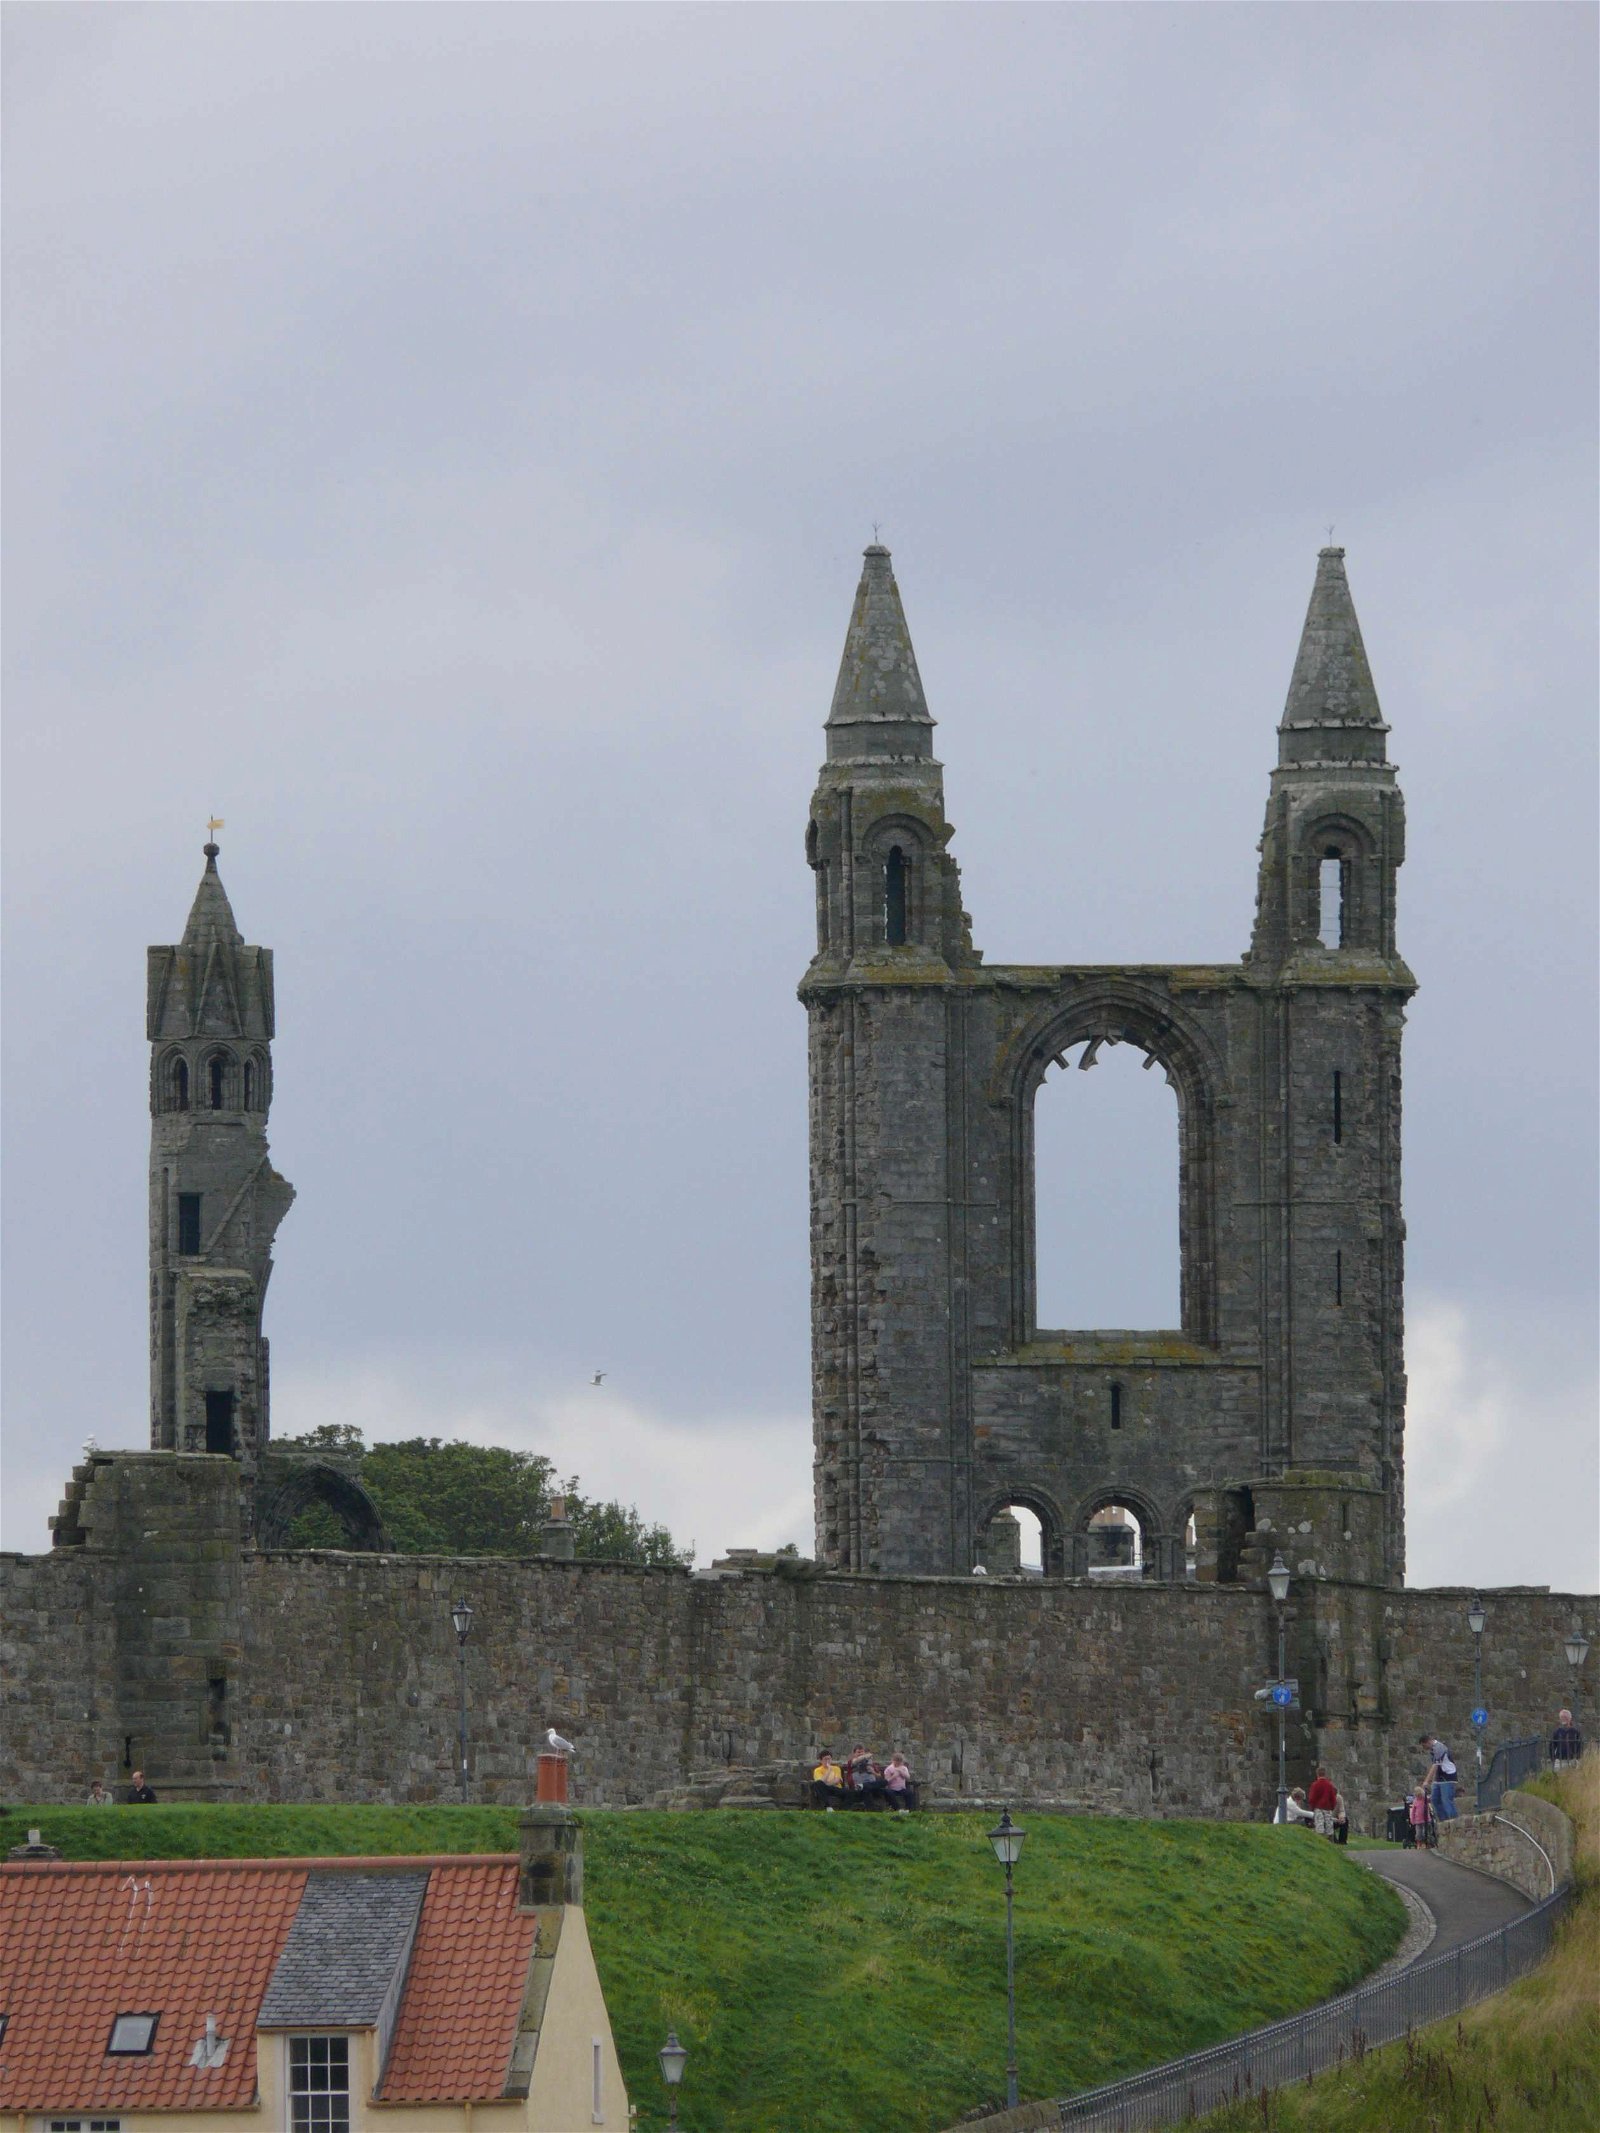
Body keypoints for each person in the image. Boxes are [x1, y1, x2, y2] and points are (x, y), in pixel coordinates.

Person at [1418, 1733, 1458, 1820]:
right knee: (1435, 1800)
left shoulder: (1439, 1748)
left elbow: (1435, 1765)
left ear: (1428, 1742)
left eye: (1424, 1746)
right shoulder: (1432, 1750)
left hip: (1448, 1777)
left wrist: (1426, 1781)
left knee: (1446, 1800)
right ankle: (1443, 1821)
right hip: (1438, 1778)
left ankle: (1453, 1821)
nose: (1424, 1748)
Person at [1307, 1766, 1338, 1837]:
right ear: (1325, 1774)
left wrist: (1312, 1807)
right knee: (1329, 1827)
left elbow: (1312, 1798)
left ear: (1317, 1774)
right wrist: (1332, 1807)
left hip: (1318, 1807)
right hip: (1328, 1807)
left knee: (1319, 1826)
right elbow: (1333, 1798)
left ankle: (1321, 1841)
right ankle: (1330, 1841)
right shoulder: (1329, 1785)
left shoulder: (1315, 1785)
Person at [1405, 1782, 1431, 1849]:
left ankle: (1426, 1843)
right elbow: (1413, 1811)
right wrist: (1412, 1820)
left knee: (1425, 1832)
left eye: (1420, 1795)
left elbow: (1430, 1799)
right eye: (1417, 1795)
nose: (1419, 1797)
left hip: (1426, 1819)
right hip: (1418, 1820)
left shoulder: (1425, 1799)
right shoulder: (1415, 1801)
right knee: (1418, 1834)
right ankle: (1419, 1844)